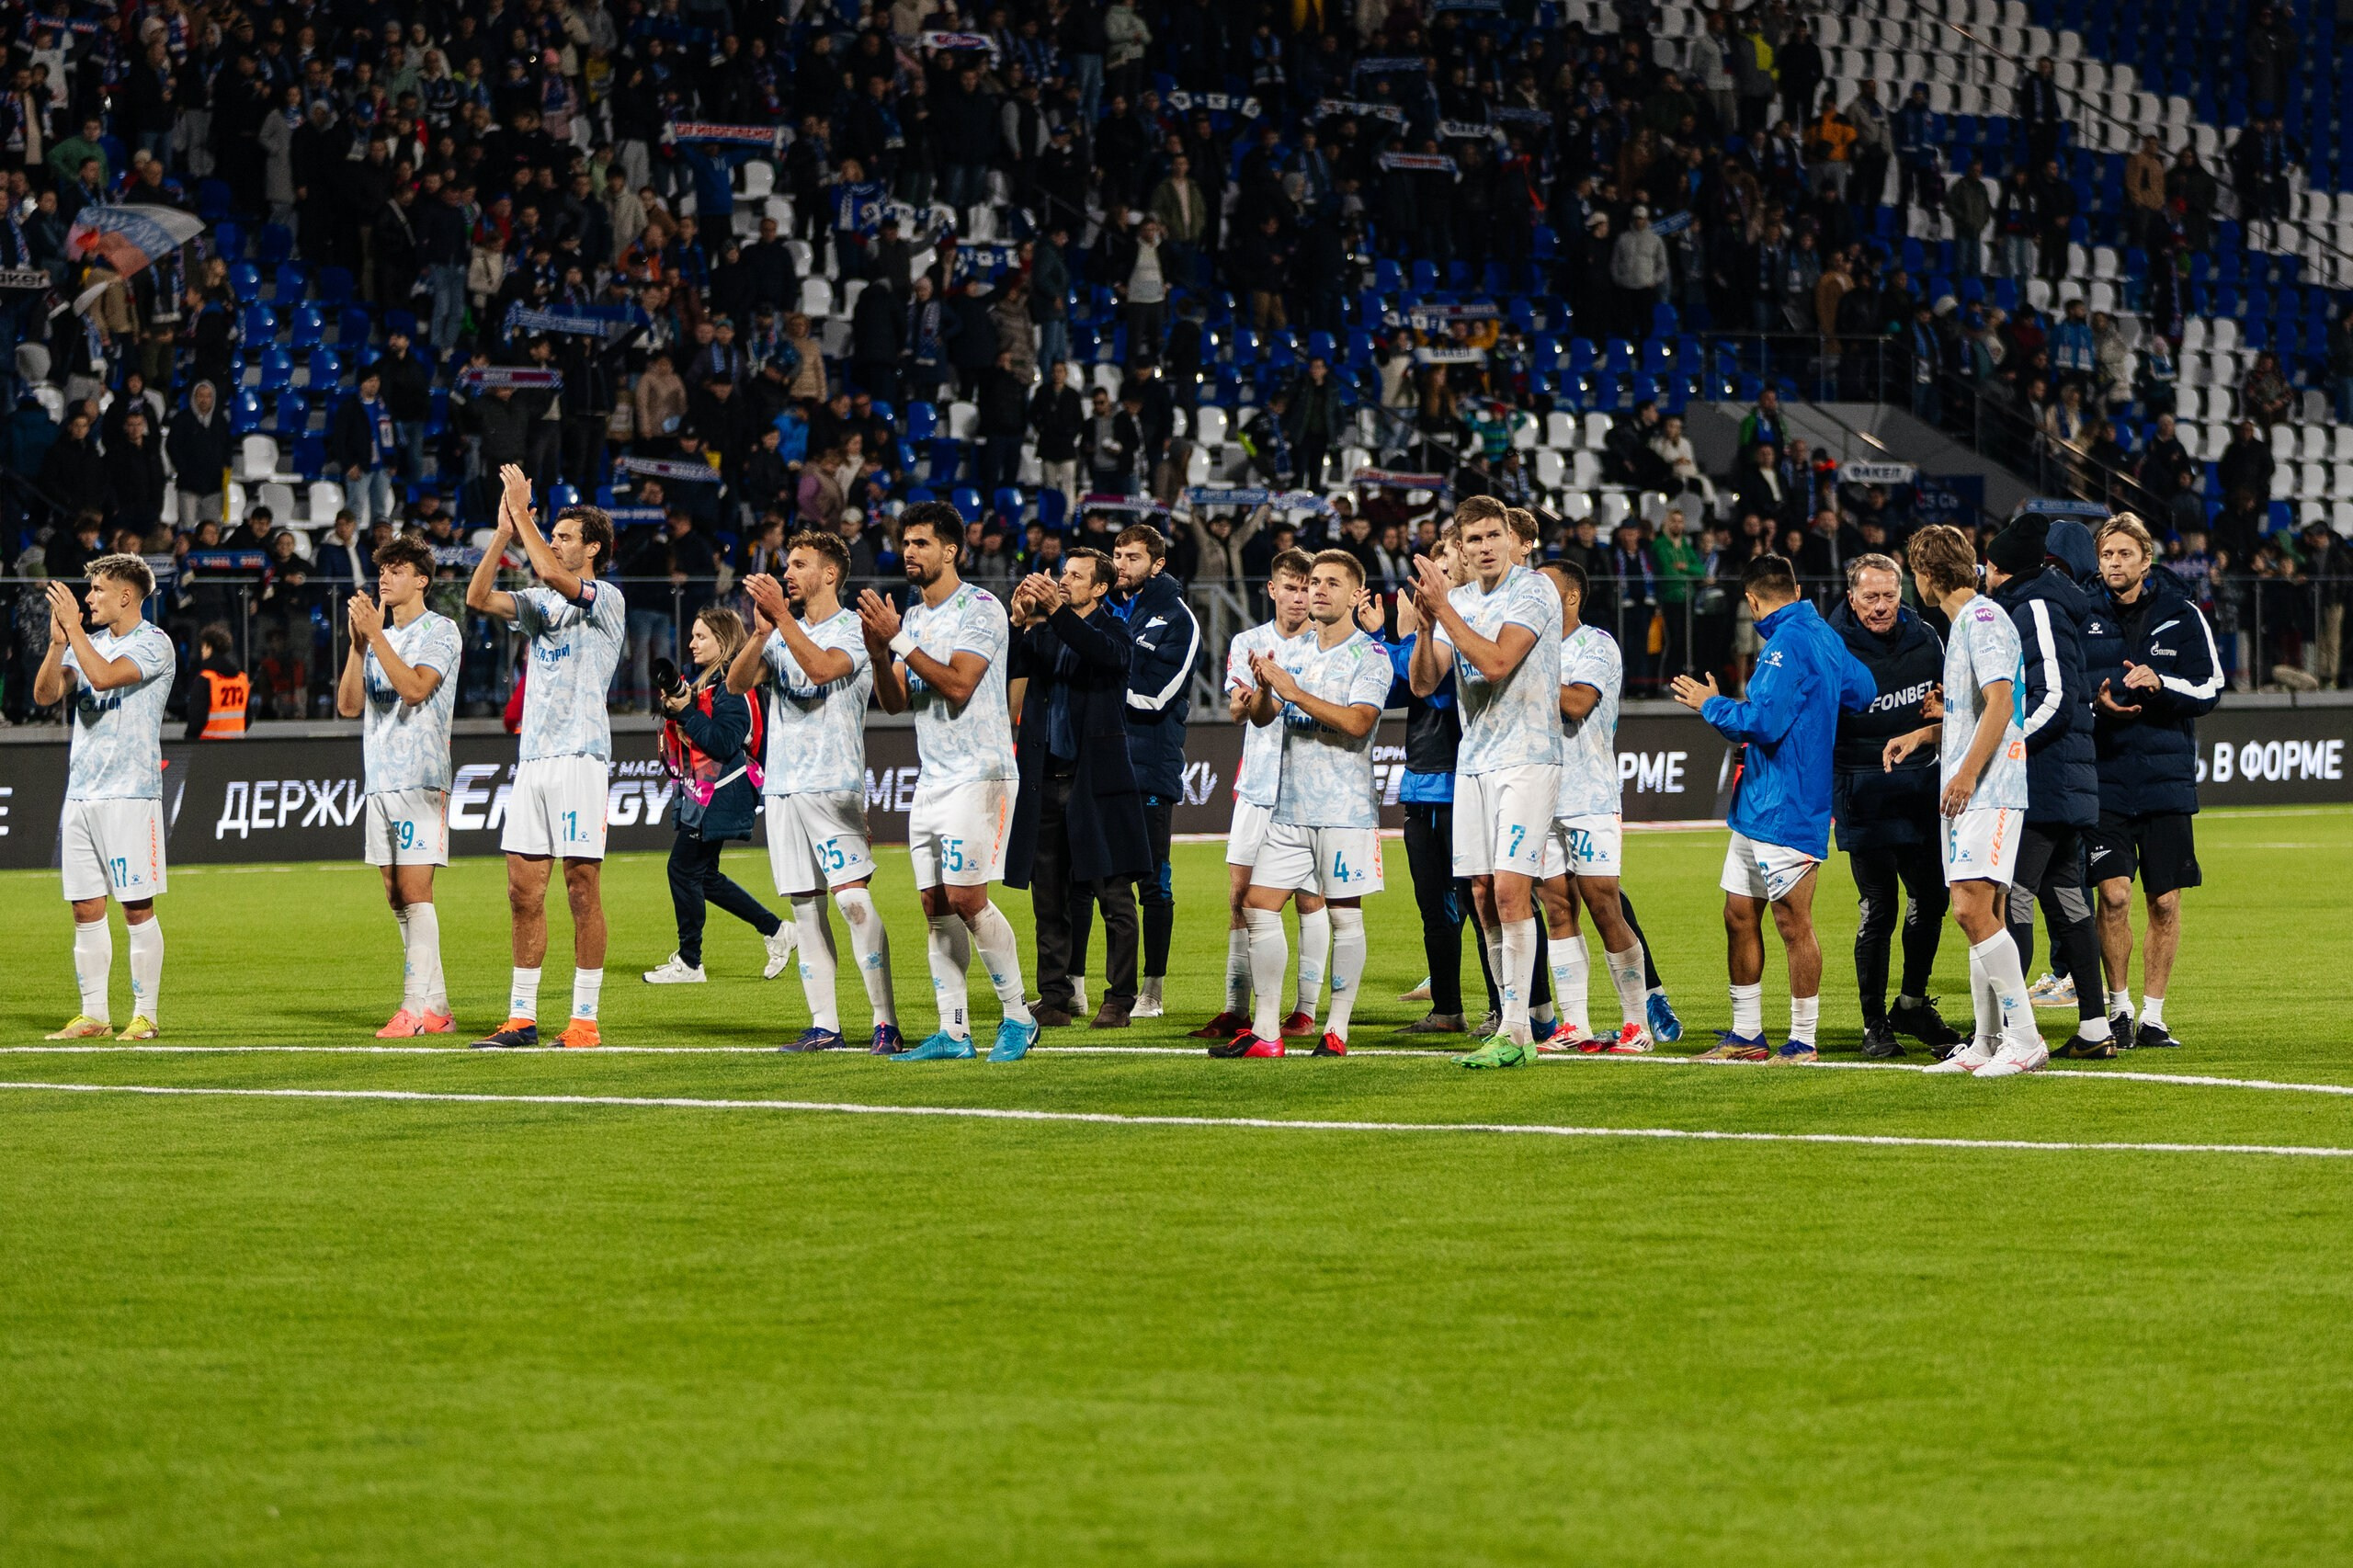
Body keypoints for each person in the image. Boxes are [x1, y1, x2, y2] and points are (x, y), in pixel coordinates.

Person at [1671, 554, 1876, 1062]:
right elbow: (1864, 690)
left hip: (1788, 807)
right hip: (1757, 808)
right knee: (1738, 914)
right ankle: (1746, 1035)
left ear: (1751, 600)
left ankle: (1803, 1040)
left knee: (1792, 922)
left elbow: (1760, 723)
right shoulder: (1824, 635)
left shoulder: (1784, 644)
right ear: (1797, 588)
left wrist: (1708, 703)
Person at [855, 501, 1040, 1062]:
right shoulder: (912, 619)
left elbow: (960, 685)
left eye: (921, 543)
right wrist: (878, 651)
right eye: (905, 543)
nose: (909, 552)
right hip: (933, 778)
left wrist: (898, 642)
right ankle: (954, 1031)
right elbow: (894, 703)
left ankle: (1018, 1016)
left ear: (951, 551)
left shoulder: (980, 608)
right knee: (935, 903)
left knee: (967, 897)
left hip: (980, 774)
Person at [462, 465, 627, 1051]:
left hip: (580, 756)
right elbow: (476, 597)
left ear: (593, 547)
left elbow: (553, 573)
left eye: (564, 536)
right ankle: (522, 1018)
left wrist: (523, 511)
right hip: (532, 758)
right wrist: (504, 532)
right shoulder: (540, 603)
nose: (554, 543)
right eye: (551, 534)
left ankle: (584, 1020)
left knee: (581, 889)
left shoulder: (607, 599)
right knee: (522, 892)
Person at [1880, 524, 2049, 1077]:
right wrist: (1924, 736)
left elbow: (2002, 703)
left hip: (1989, 789)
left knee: (1971, 909)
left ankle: (2025, 1039)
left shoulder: (1982, 620)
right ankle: (1986, 1041)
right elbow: (1976, 712)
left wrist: (1968, 775)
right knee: (1983, 914)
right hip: (1971, 790)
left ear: (1928, 574)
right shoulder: (1964, 626)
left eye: (1915, 573)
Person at [727, 533, 898, 1054]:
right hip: (783, 787)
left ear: (830, 574)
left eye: (800, 565)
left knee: (853, 903)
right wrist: (761, 633)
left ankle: (886, 1024)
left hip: (833, 784)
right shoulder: (782, 630)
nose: (788, 573)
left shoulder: (854, 630)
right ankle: (825, 1026)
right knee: (806, 911)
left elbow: (822, 670)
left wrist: (781, 620)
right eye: (788, 565)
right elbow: (736, 684)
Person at [1407, 494, 1562, 1069]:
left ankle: (1519, 1032)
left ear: (1510, 540)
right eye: (1474, 539)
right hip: (1473, 761)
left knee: (1509, 891)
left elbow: (1497, 664)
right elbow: (1424, 683)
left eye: (1494, 535)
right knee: (1480, 892)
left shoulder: (1534, 591)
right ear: (1462, 549)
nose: (1486, 546)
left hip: (1527, 757)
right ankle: (1511, 1018)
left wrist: (1443, 611)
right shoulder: (1461, 601)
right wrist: (1426, 626)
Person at [1219, 550, 1392, 1058]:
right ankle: (1267, 1031)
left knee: (1344, 916)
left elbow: (1359, 723)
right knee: (1257, 906)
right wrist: (1262, 693)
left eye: (1331, 583)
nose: (1317, 589)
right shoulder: (1292, 653)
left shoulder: (1371, 656)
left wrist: (1292, 692)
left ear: (1354, 594)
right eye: (1314, 581)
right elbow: (1264, 717)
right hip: (1289, 809)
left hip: (1345, 812)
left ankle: (1336, 1029)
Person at [2083, 513, 2222, 1050]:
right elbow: (2063, 687)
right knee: (2114, 896)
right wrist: (2097, 705)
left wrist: (2162, 684)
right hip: (2105, 779)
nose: (2114, 563)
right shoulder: (2081, 612)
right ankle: (2118, 1010)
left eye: (2124, 554)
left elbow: (2210, 688)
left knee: (2164, 902)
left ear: (2146, 560)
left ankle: (2154, 1016)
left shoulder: (2182, 614)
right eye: (2106, 555)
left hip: (2166, 782)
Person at [1984, 515, 2115, 1060]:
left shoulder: (2036, 605)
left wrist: (2004, 749)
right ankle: (2095, 1029)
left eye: (1989, 565)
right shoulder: (2048, 602)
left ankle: (2012, 1034)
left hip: (2042, 781)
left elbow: (2055, 697)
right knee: (2065, 900)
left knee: (2011, 898)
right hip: (2061, 780)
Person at [1004, 549, 1152, 1028]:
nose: (1063, 581)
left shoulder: (1116, 630)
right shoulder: (1045, 632)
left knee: (1114, 896)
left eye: (1075, 576)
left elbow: (1102, 654)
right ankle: (1054, 997)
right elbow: (1011, 671)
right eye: (1062, 573)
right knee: (1048, 899)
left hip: (1096, 785)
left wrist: (1055, 612)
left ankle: (1120, 999)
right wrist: (1018, 623)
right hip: (1045, 781)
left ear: (1101, 588)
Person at [33, 556, 176, 1041]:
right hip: (82, 794)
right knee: (85, 909)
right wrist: (58, 643)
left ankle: (145, 1016)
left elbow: (106, 677)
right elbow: (46, 695)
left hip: (130, 793)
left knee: (135, 907)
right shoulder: (85, 643)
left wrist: (74, 631)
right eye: (89, 589)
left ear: (126, 596)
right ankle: (93, 1014)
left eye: (98, 590)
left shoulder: (154, 643)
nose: (89, 598)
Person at [1827, 553, 1961, 1059]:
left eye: (1889, 595)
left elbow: (1953, 705)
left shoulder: (1926, 638)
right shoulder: (1831, 646)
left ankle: (1911, 1003)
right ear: (1851, 597)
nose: (1881, 606)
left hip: (1920, 790)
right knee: (1879, 908)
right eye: (1871, 597)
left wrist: (1941, 712)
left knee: (1932, 900)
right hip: (1861, 790)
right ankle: (1873, 1024)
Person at [1191, 548, 1328, 1041]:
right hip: (1256, 787)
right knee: (1240, 896)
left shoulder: (1325, 643)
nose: (1299, 597)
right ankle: (1235, 1009)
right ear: (1272, 589)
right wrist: (1246, 698)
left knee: (1309, 899)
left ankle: (1305, 1011)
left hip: (1309, 791)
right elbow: (1236, 710)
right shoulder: (1249, 642)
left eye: (1307, 588)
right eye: (1290, 587)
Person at [334, 534, 462, 1037]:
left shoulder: (440, 631)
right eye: (383, 570)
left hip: (421, 777)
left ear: (422, 580)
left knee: (415, 890)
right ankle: (438, 1008)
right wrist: (358, 644)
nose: (385, 578)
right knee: (395, 895)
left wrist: (377, 637)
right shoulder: (376, 638)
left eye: (397, 570)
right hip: (381, 779)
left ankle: (412, 1009)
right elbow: (349, 706)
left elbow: (414, 690)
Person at [1532, 559, 1657, 1054]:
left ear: (1571, 597)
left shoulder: (1596, 644)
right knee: (1557, 908)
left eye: (1544, 589)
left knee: (1605, 904)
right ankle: (1575, 1024)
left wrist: (1522, 671)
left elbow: (1577, 703)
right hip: (1539, 795)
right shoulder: (1526, 646)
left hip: (1588, 795)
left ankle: (1636, 1024)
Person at [643, 607, 794, 990]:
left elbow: (726, 742)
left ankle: (690, 961)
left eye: (701, 637)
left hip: (723, 789)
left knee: (682, 869)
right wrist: (677, 709)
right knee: (703, 876)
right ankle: (777, 930)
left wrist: (688, 713)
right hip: (709, 789)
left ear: (723, 641)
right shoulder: (711, 682)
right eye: (693, 636)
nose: (692, 644)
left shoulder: (732, 685)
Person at [1108, 523, 1199, 1019]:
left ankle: (1153, 990)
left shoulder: (1178, 618)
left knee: (1153, 884)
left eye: (1133, 557)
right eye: (1118, 555)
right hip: (1102, 764)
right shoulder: (1107, 608)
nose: (1122, 564)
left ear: (1157, 564)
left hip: (1148, 768)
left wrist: (1101, 685)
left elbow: (1158, 696)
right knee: (1093, 880)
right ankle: (1080, 988)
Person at [184, 623, 252, 740]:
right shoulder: (242, 679)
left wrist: (189, 739)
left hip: (209, 745)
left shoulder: (205, 679)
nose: (202, 651)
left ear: (208, 647)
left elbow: (196, 719)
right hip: (237, 745)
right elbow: (248, 717)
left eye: (203, 647)